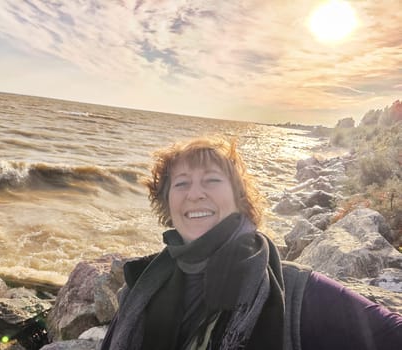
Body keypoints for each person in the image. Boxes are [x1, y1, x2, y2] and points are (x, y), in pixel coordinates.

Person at [101, 136, 402, 350]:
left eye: (211, 180)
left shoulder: (296, 292)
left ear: (239, 199)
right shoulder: (139, 287)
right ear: (167, 204)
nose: (194, 194)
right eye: (181, 183)